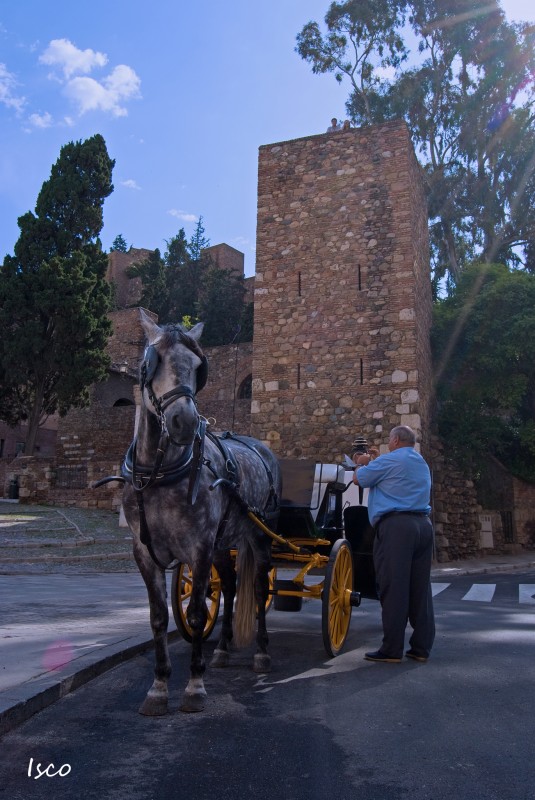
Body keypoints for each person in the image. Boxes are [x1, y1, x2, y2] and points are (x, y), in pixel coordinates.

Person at [352, 425, 435, 664]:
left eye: (389, 440)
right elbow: (393, 476)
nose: (389, 443)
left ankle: (391, 648)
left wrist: (362, 461)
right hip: (422, 525)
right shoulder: (420, 462)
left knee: (394, 586)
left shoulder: (389, 460)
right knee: (420, 589)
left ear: (396, 440)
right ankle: (421, 648)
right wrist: (376, 461)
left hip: (396, 527)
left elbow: (359, 478)